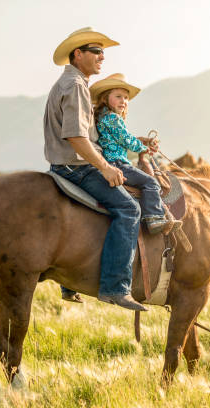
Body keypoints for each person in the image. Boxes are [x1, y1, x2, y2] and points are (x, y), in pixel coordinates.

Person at [44, 27, 153, 312]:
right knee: (130, 210)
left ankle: (71, 281)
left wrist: (137, 142)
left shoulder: (68, 83)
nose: (102, 57)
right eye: (97, 51)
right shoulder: (77, 85)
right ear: (78, 54)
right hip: (76, 167)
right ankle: (116, 287)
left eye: (103, 52)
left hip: (64, 163)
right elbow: (76, 137)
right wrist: (104, 167)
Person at [89, 74, 181, 234]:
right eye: (118, 96)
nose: (123, 101)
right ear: (105, 98)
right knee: (151, 183)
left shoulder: (103, 117)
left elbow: (119, 139)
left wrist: (141, 141)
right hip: (117, 163)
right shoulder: (112, 118)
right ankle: (154, 217)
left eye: (125, 98)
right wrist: (143, 148)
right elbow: (126, 140)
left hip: (113, 161)